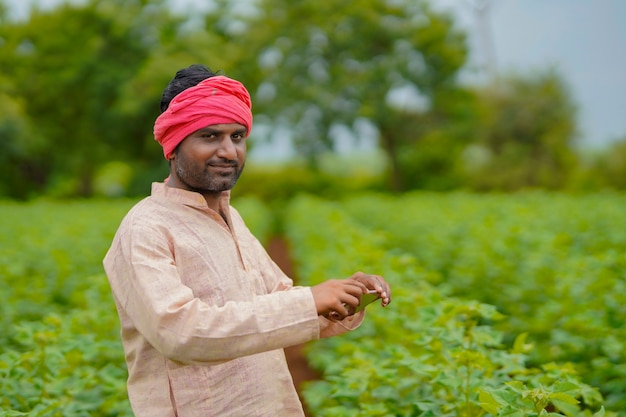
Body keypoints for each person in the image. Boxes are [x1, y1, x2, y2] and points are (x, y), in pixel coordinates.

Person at [103, 64, 391, 417]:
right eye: (210, 136)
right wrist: (309, 300)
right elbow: (180, 332)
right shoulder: (146, 228)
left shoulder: (230, 217)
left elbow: (276, 304)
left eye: (237, 137)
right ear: (174, 145)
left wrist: (347, 298)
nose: (228, 151)